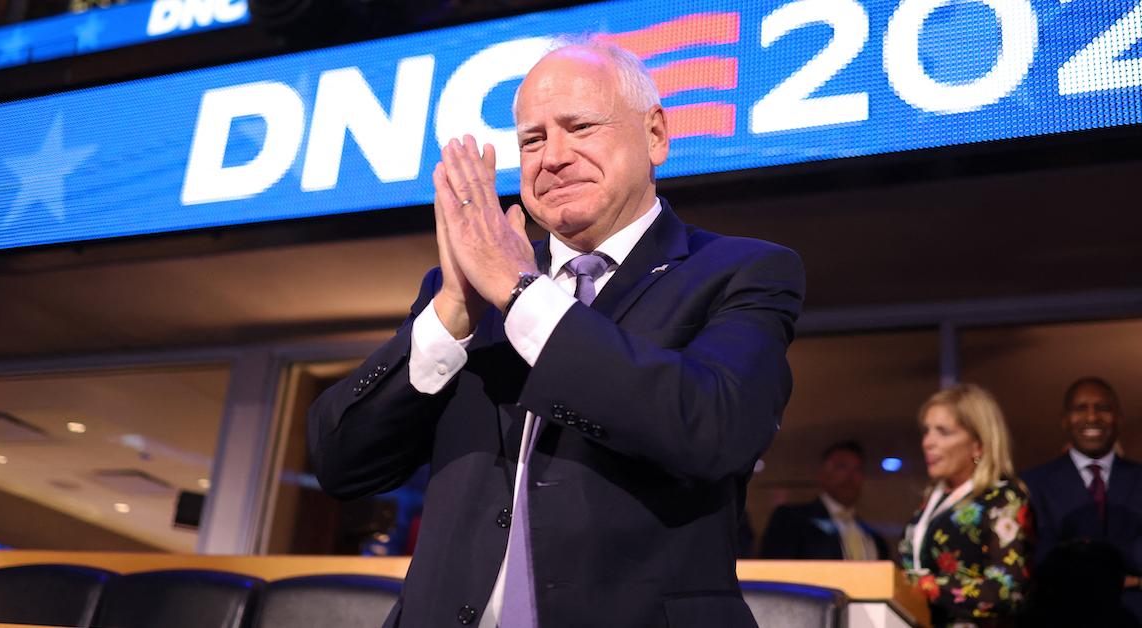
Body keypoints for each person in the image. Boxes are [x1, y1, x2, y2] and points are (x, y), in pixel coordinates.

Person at [307, 40, 804, 628]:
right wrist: (449, 316)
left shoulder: (742, 271)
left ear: (655, 136)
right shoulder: (464, 291)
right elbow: (342, 465)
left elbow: (714, 428)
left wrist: (523, 296)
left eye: (581, 126)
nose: (554, 157)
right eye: (533, 140)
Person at [899, 384, 1031, 627]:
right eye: (927, 431)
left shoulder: (1002, 499)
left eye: (943, 432)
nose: (928, 442)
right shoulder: (932, 500)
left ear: (978, 445)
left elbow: (1006, 591)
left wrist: (925, 586)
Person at [1021, 377, 1142, 623]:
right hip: (1060, 616)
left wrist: (1077, 554)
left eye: (1103, 408)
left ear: (1119, 418)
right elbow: (1040, 556)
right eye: (1080, 408)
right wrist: (1123, 575)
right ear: (1064, 420)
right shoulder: (1032, 484)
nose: (1092, 417)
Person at [760, 440, 890, 560]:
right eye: (841, 467)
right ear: (822, 474)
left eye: (858, 470)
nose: (850, 477)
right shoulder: (791, 519)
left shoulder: (874, 538)